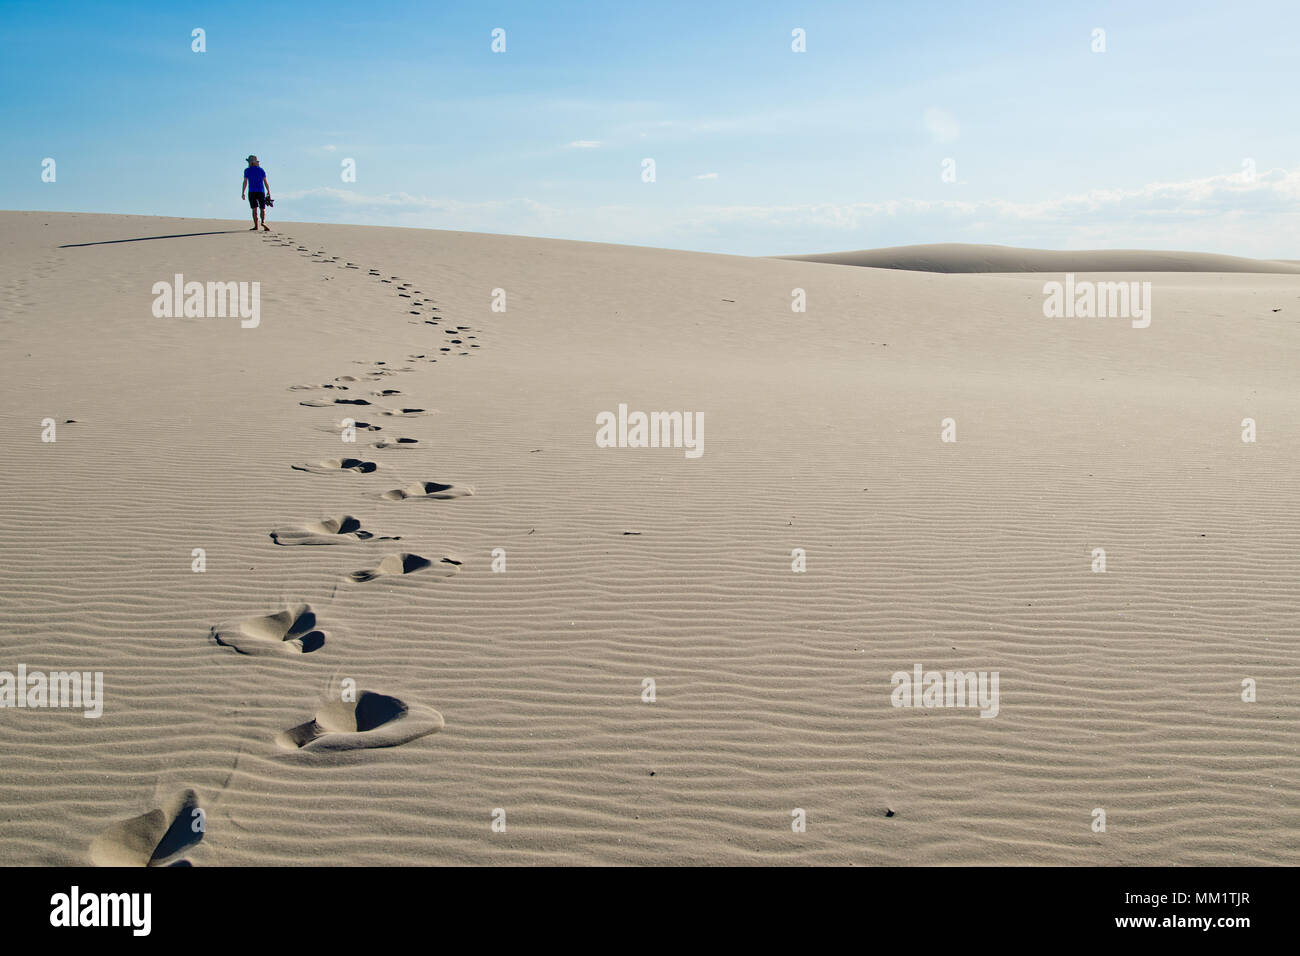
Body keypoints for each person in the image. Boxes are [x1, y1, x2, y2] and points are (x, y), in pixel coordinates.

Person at [242, 155, 271, 231]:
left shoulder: (247, 170)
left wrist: (243, 192)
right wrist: (268, 191)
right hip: (261, 191)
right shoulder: (261, 170)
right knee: (262, 208)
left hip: (252, 192)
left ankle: (256, 226)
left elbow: (245, 182)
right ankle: (263, 222)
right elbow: (265, 182)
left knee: (254, 209)